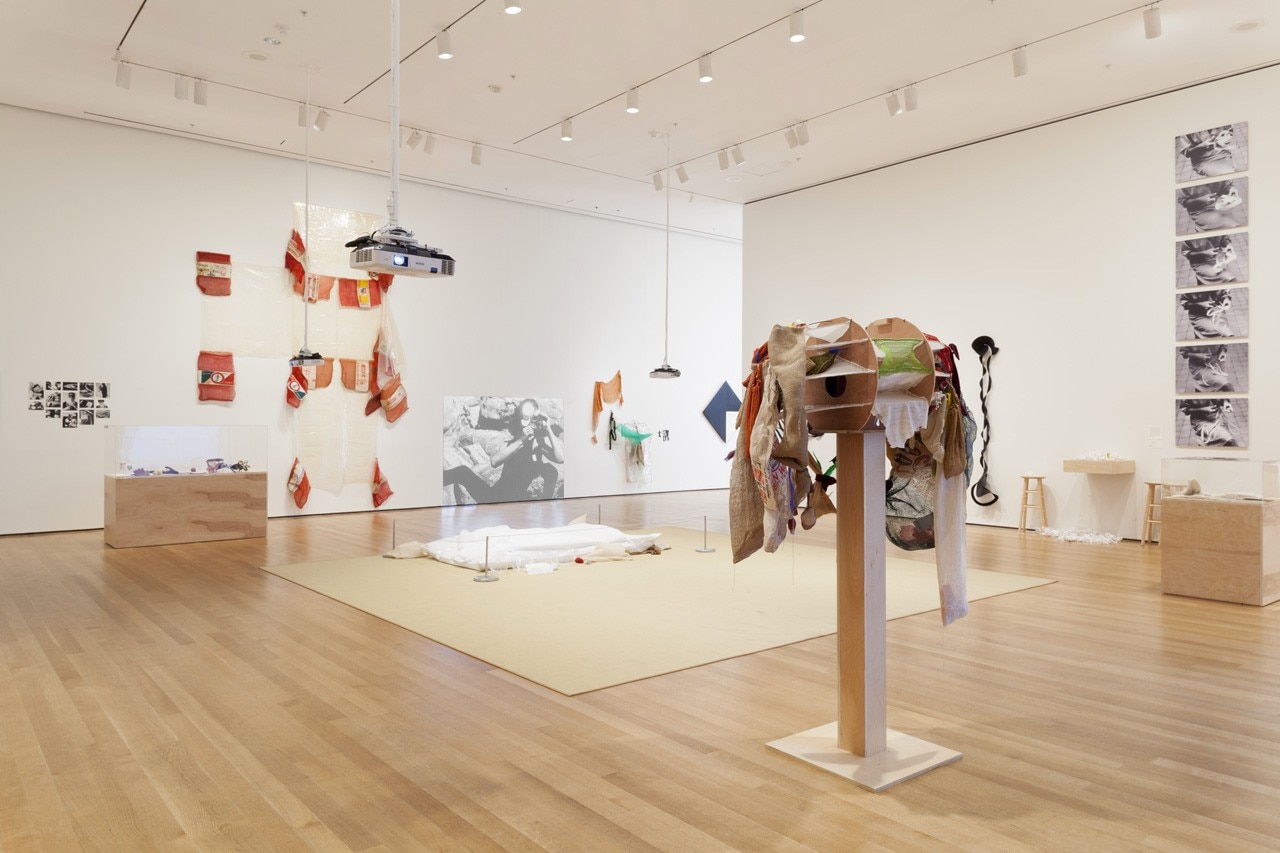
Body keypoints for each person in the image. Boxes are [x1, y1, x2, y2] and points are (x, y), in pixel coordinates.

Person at [444, 398, 564, 503]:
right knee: (461, 471)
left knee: (550, 469)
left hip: (512, 503)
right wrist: (521, 441)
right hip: (494, 498)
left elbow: (560, 459)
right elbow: (494, 461)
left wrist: (548, 429)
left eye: (532, 417)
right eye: (524, 415)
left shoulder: (538, 444)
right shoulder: (511, 443)